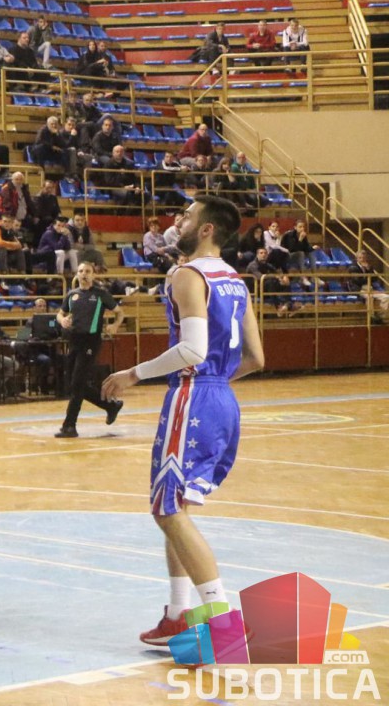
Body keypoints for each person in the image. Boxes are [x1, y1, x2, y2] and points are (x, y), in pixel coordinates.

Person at [102, 195, 263, 646]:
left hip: (193, 397)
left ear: (207, 229)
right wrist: (214, 383)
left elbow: (192, 350)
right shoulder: (235, 280)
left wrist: (134, 374)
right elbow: (256, 357)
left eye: (187, 216)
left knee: (168, 509)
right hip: (222, 396)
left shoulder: (188, 275)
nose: (178, 222)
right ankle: (177, 614)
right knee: (175, 508)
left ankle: (223, 622)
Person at [54, 262, 125, 438]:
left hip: (91, 342)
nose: (84, 274)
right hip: (74, 341)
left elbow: (120, 312)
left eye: (87, 271)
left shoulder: (100, 294)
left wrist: (115, 325)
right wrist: (62, 320)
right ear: (77, 274)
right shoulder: (72, 294)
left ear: (93, 275)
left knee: (77, 383)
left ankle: (69, 426)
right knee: (73, 384)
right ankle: (110, 405)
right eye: (81, 271)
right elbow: (60, 313)